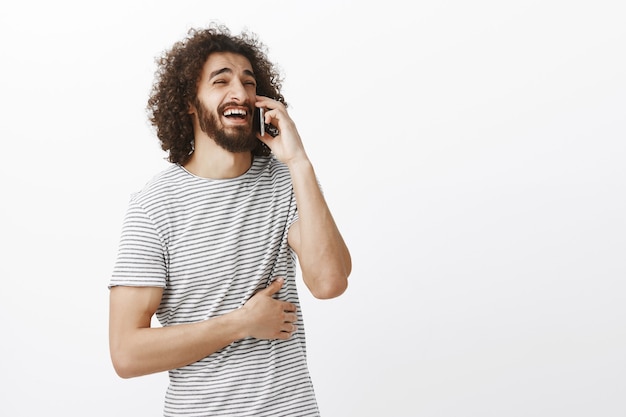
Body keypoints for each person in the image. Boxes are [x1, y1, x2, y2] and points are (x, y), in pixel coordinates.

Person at [108, 24, 352, 416]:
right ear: (189, 101)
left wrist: (299, 161)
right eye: (221, 81)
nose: (240, 92)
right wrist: (240, 323)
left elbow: (329, 282)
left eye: (248, 82)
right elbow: (126, 353)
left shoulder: (285, 181)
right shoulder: (154, 207)